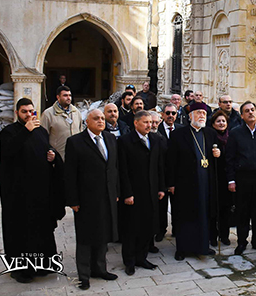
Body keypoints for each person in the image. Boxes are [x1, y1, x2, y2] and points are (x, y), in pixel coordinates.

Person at [0, 98, 65, 284]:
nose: (29, 115)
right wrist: (25, 131)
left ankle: (42, 266)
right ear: (17, 113)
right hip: (18, 194)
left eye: (31, 111)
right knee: (20, 232)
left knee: (40, 230)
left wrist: (52, 156)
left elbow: (45, 149)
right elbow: (8, 152)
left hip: (40, 192)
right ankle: (21, 270)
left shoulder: (41, 131)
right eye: (24, 111)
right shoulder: (8, 132)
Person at [64, 109, 119, 290]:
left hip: (107, 196)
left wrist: (116, 191)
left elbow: (113, 169)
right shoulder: (75, 142)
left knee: (103, 234)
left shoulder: (110, 139)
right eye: (96, 118)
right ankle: (84, 274)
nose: (101, 121)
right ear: (87, 121)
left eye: (102, 118)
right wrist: (73, 200)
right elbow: (70, 174)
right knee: (86, 237)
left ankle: (100, 269)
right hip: (86, 198)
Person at [166, 102, 221, 260]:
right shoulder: (178, 134)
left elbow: (215, 156)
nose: (201, 116)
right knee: (185, 215)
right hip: (185, 183)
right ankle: (182, 249)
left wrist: (218, 154)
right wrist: (171, 183)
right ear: (190, 116)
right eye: (198, 113)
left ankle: (202, 247)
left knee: (203, 215)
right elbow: (171, 161)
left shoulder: (210, 133)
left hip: (205, 182)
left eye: (203, 114)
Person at [118, 110, 166, 276]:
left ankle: (142, 257)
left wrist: (161, 187)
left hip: (151, 191)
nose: (149, 125)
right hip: (133, 193)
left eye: (151, 122)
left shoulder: (155, 139)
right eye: (145, 122)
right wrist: (127, 193)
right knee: (132, 228)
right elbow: (122, 170)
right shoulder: (125, 141)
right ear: (136, 123)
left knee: (147, 226)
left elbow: (159, 165)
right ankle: (129, 261)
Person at [226, 101, 256, 255]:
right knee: (242, 212)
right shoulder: (235, 133)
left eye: (252, 110)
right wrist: (231, 179)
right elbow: (230, 158)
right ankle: (241, 242)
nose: (251, 113)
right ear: (242, 115)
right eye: (247, 111)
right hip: (242, 178)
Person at [156, 103, 184, 241]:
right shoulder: (157, 130)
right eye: (168, 113)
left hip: (177, 175)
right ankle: (161, 230)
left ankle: (177, 229)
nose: (170, 116)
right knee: (161, 206)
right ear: (162, 115)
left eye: (173, 113)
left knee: (177, 204)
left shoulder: (181, 130)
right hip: (161, 174)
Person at [209, 110, 233, 246]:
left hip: (227, 177)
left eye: (223, 121)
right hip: (214, 177)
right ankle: (213, 235)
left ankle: (224, 235)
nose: (221, 123)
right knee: (213, 208)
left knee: (226, 208)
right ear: (213, 124)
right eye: (218, 121)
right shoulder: (210, 137)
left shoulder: (231, 137)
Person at [41, 85, 84, 160]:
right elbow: (42, 137)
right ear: (58, 97)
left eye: (70, 95)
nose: (68, 98)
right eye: (65, 95)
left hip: (76, 157)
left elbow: (81, 132)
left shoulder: (76, 112)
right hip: (58, 157)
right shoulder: (48, 114)